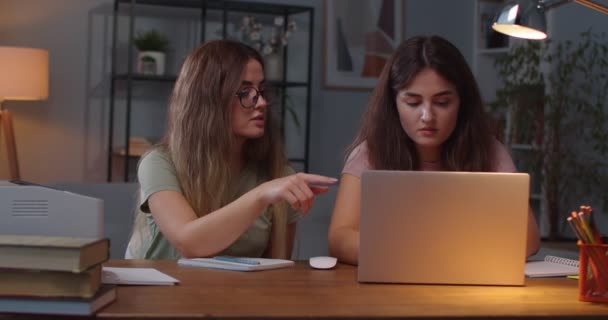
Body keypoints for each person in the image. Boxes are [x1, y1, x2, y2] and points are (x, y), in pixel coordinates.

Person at [328, 35, 540, 265]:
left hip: (468, 282)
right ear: (393, 103)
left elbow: (528, 240)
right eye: (413, 103)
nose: (427, 116)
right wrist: (405, 253)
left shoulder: (489, 151)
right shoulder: (370, 152)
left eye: (442, 103)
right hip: (393, 279)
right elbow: (339, 238)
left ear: (462, 103)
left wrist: (444, 255)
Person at [125, 40, 336, 260]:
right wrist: (261, 195)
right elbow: (189, 242)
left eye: (261, 90)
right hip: (162, 293)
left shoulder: (278, 176)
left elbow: (276, 273)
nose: (261, 102)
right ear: (209, 99)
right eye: (245, 92)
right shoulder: (159, 163)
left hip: (236, 294)